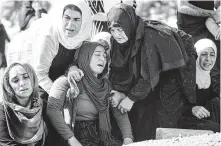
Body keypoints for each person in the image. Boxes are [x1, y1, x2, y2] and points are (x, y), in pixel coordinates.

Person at [69, 3, 197, 141]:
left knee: (165, 112)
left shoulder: (150, 37)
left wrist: (130, 98)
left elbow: (148, 76)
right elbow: (117, 70)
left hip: (175, 63)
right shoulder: (117, 40)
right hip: (152, 69)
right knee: (140, 108)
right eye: (113, 30)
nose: (117, 35)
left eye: (120, 29)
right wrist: (119, 93)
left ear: (128, 25)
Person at [47, 42, 133, 146]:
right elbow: (52, 110)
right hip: (73, 135)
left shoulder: (106, 85)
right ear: (85, 56)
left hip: (101, 136)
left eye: (105, 56)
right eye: (97, 54)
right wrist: (71, 140)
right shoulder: (66, 82)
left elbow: (119, 113)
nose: (102, 59)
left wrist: (128, 138)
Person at [33, 0, 92, 100]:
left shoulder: (84, 36)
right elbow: (39, 74)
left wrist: (73, 67)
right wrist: (59, 95)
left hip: (65, 81)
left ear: (84, 22)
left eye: (76, 19)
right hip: (42, 83)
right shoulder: (49, 36)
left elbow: (80, 62)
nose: (70, 24)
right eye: (67, 18)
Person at [0, 63, 48, 146]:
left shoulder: (42, 105)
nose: (22, 83)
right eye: (15, 80)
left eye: (26, 77)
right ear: (9, 86)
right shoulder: (3, 110)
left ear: (33, 78)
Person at [182, 39, 220, 132]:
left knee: (216, 101)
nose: (208, 59)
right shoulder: (187, 76)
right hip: (186, 119)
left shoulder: (210, 75)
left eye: (212, 55)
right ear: (196, 55)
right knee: (215, 128)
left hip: (204, 118)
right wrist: (192, 109)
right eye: (203, 54)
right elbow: (172, 105)